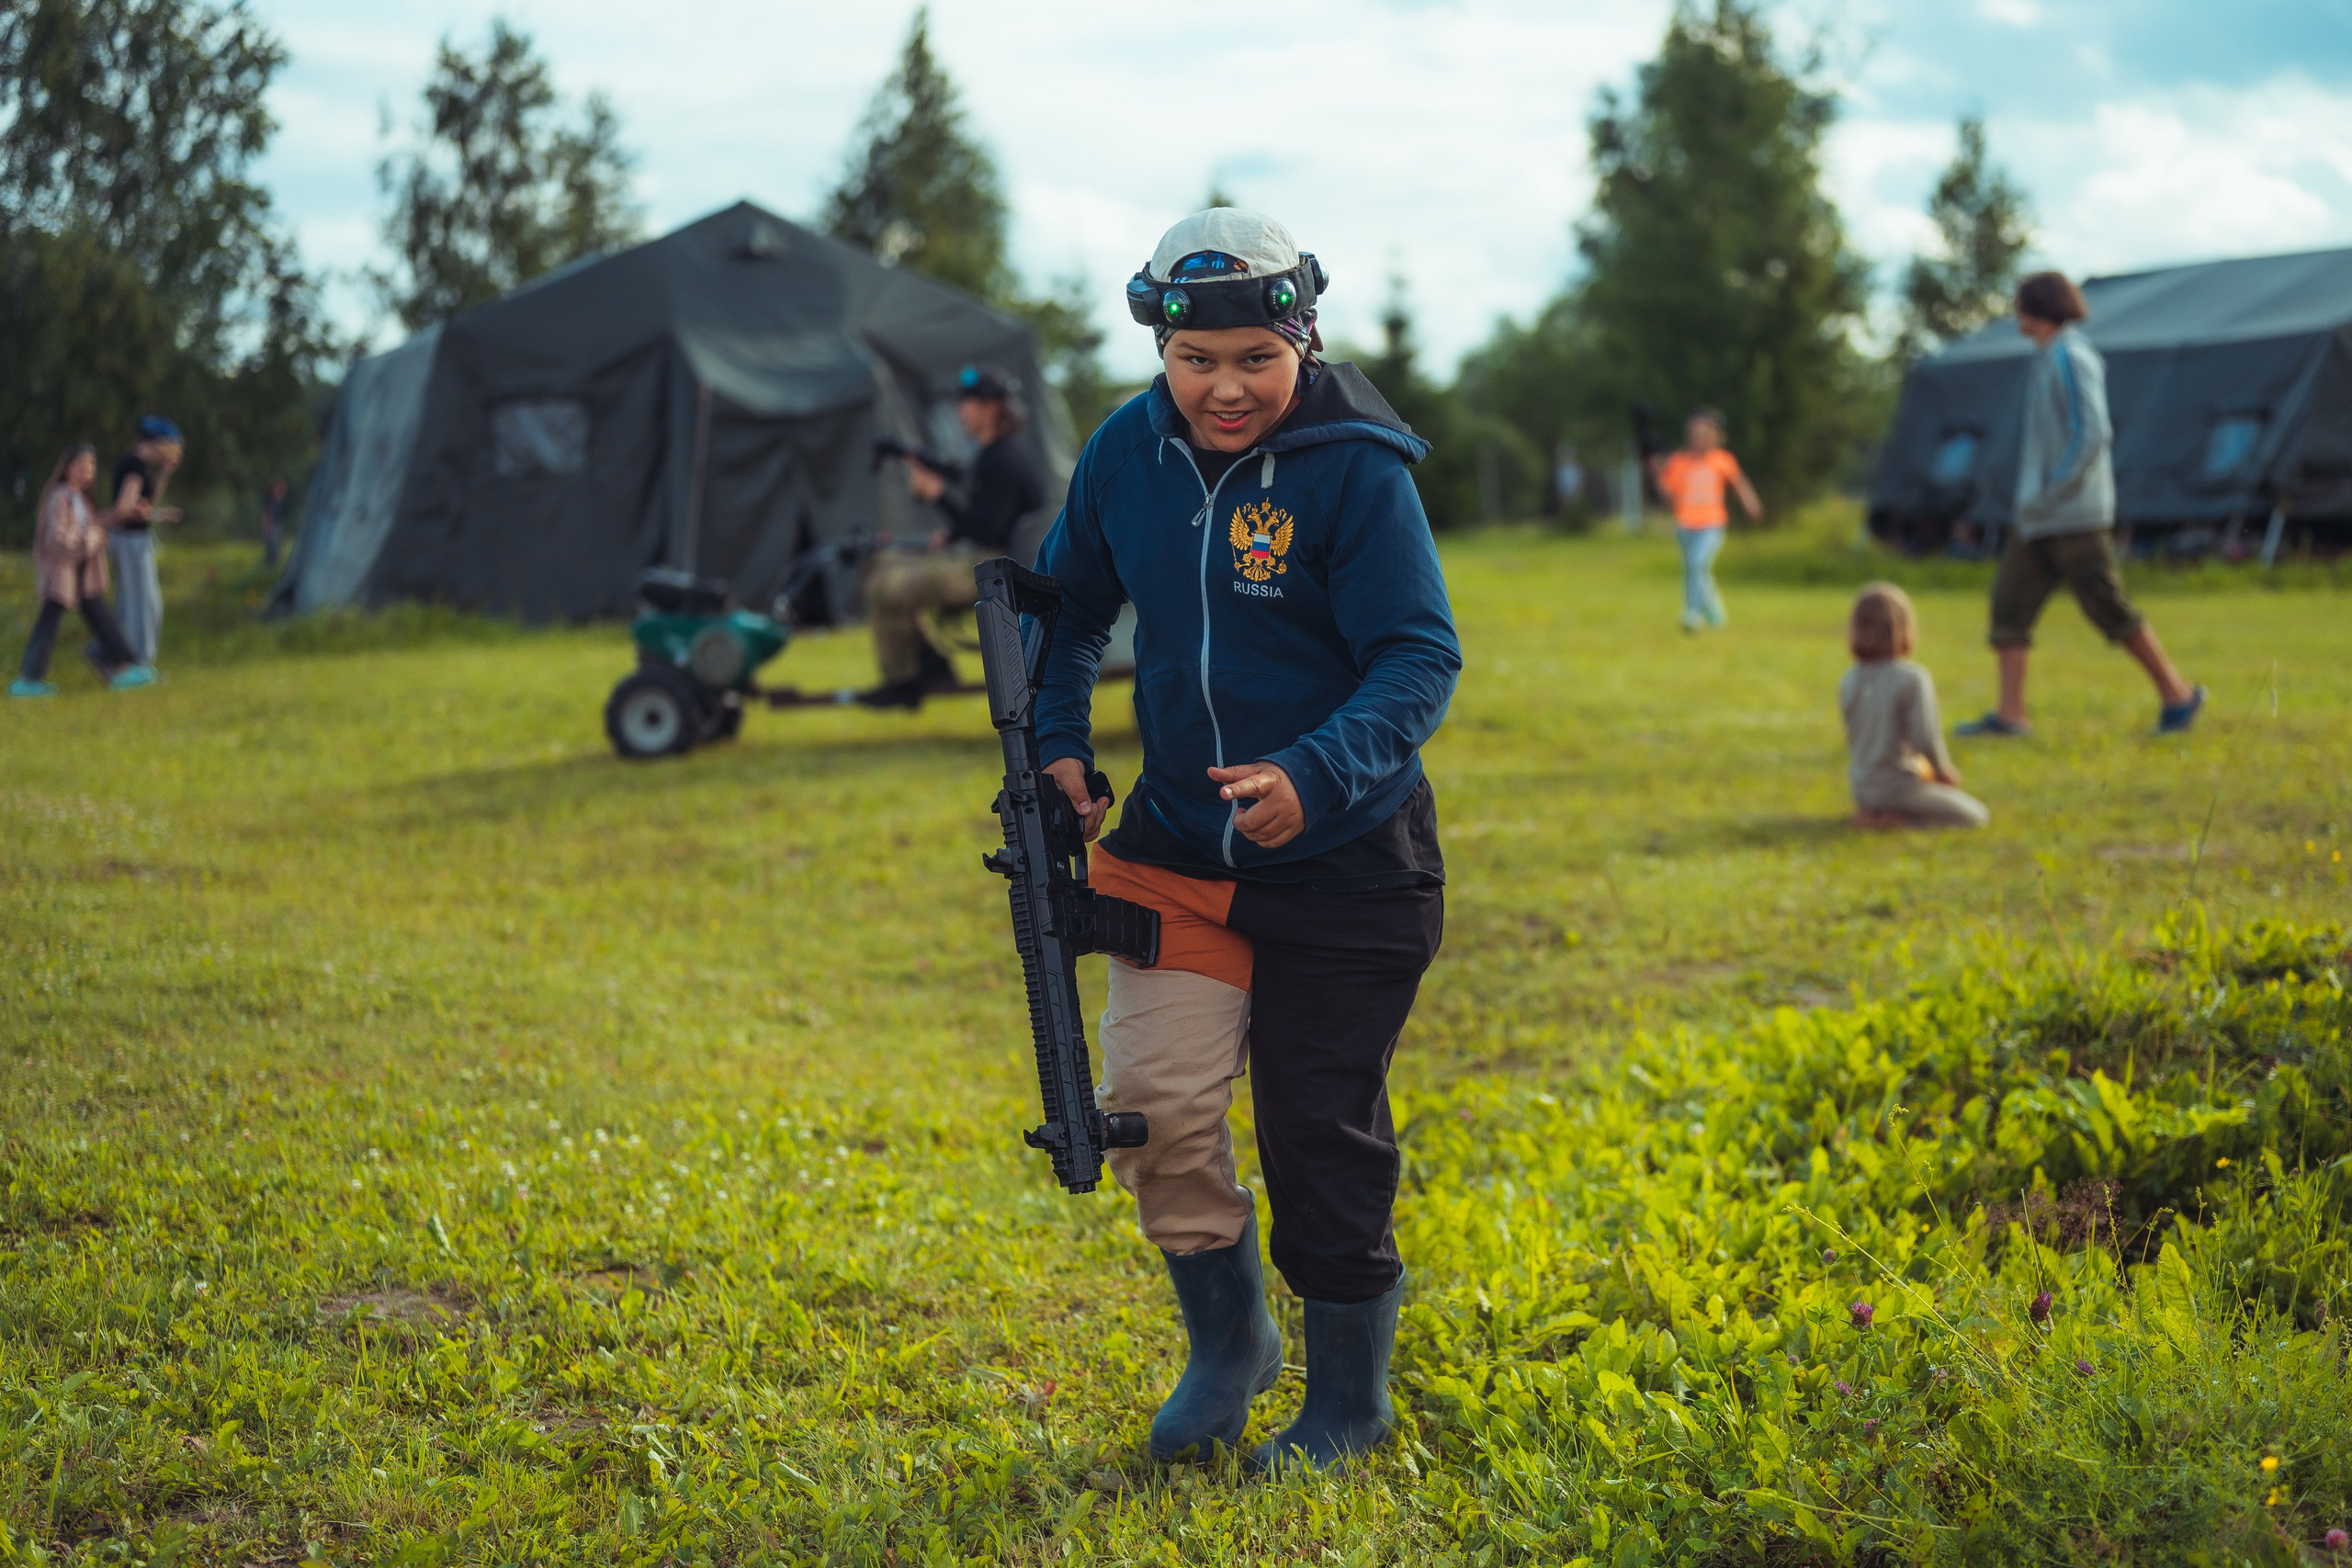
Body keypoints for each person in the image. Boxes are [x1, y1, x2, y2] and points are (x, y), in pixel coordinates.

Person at [1028, 209, 1460, 1472]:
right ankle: (1229, 1345)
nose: (1225, 387)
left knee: (1318, 1128)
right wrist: (1060, 727)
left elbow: (1416, 655)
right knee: (1156, 1111)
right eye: (1196, 360)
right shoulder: (1124, 450)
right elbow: (1068, 601)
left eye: (1255, 360)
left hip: (1348, 860)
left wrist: (1313, 774)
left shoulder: (1357, 467)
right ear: (1162, 350)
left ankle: (1349, 1405)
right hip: (1172, 848)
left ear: (1302, 339)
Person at [1955, 272, 2203, 738]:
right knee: (2008, 608)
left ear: (2035, 310)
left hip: (2073, 517)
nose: (2015, 315)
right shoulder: (2047, 358)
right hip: (2036, 521)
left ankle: (2178, 695)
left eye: (2019, 306)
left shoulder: (2072, 355)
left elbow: (2092, 432)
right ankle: (2011, 715)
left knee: (2108, 608)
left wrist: (2054, 485)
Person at [857, 366, 1046, 709]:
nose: (961, 412)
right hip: (988, 558)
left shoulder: (1001, 458)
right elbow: (985, 518)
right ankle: (930, 665)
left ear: (990, 408)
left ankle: (903, 680)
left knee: (886, 586)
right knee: (880, 562)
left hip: (993, 567)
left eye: (967, 403)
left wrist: (938, 494)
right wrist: (953, 531)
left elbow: (987, 531)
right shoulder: (995, 454)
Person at [1840, 582, 1986, 829]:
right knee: (1975, 815)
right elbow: (1926, 738)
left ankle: (1872, 812)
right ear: (1903, 628)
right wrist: (1943, 772)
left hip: (1861, 787)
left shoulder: (1849, 679)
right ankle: (1898, 820)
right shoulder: (1911, 677)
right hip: (1899, 786)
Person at [10, 446, 153, 697]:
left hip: (82, 575)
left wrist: (125, 514)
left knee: (103, 620)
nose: (87, 472)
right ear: (67, 468)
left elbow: (96, 523)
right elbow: (58, 539)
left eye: (91, 467)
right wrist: (92, 540)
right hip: (61, 575)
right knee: (49, 624)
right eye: (81, 466)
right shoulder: (59, 498)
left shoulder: (80, 500)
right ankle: (28, 680)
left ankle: (125, 667)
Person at [1647, 407, 1762, 631]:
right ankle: (1711, 609)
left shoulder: (1722, 460)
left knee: (1698, 563)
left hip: (1712, 523)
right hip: (1685, 523)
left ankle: (1693, 613)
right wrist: (1655, 474)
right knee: (1692, 568)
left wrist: (1751, 503)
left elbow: (1739, 483)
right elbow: (1668, 496)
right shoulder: (1679, 462)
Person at [101, 415, 185, 670]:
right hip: (131, 541)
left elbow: (147, 501)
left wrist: (164, 472)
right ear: (159, 443)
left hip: (129, 539)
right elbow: (125, 509)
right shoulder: (134, 467)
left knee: (130, 604)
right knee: (145, 605)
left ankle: (114, 657)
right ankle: (140, 664)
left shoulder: (134, 466)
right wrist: (159, 515)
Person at [259, 477, 289, 567]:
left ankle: (274, 561)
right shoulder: (269, 501)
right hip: (271, 523)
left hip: (277, 523)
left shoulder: (278, 499)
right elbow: (266, 514)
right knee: (271, 542)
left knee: (277, 542)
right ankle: (270, 561)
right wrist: (266, 526)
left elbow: (283, 492)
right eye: (275, 488)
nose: (276, 490)